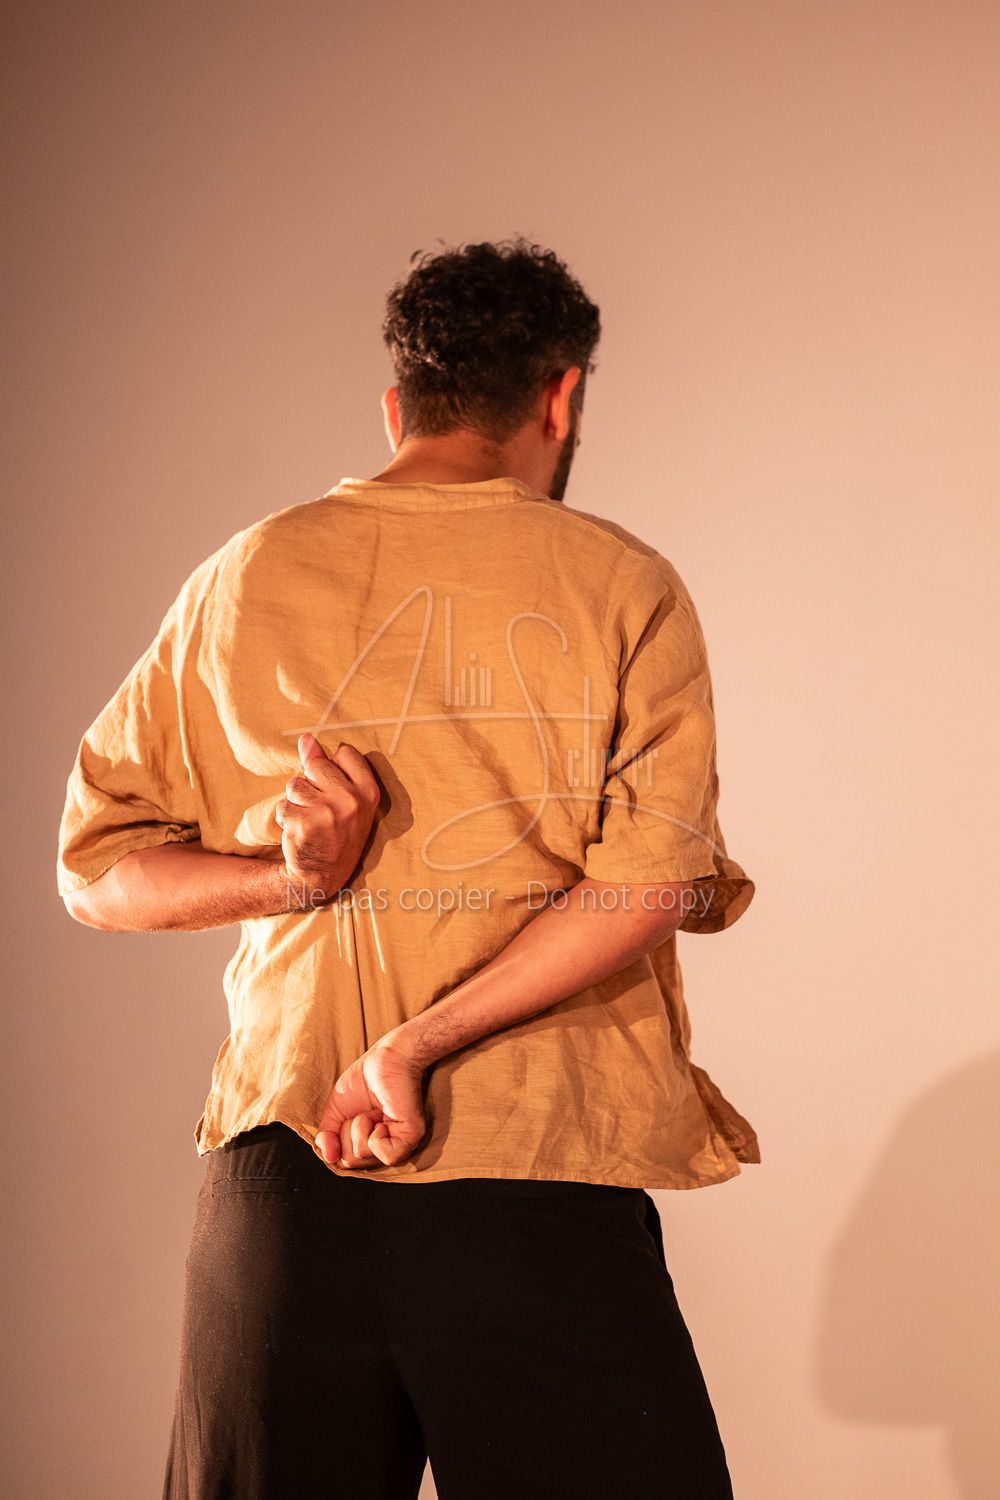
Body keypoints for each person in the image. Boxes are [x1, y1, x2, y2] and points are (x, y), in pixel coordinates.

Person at [56, 236, 760, 1499]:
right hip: (534, 1178)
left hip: (282, 1193)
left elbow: (95, 873)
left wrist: (293, 878)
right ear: (560, 396)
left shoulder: (242, 577)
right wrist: (416, 1048)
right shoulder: (622, 585)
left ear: (398, 407)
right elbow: (649, 880)